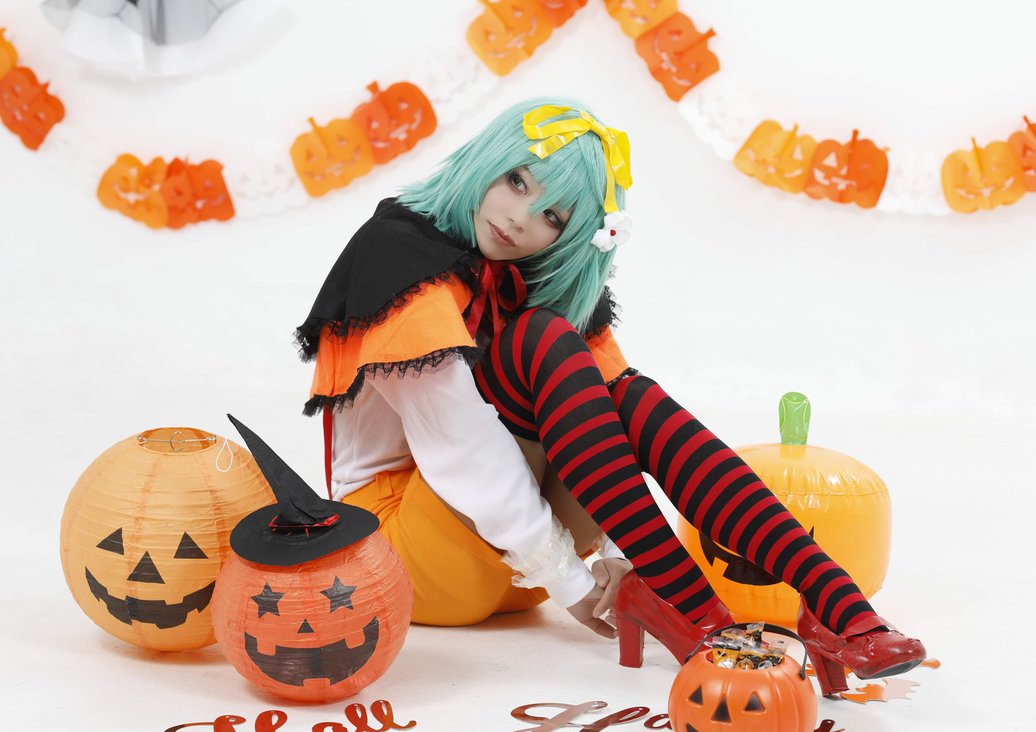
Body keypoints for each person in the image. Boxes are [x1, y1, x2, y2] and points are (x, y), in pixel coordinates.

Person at [295, 97, 925, 695]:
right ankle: (693, 604)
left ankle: (834, 600)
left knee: (623, 393)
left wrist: (621, 554)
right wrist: (570, 580)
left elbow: (608, 413)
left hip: (518, 568)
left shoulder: (534, 276)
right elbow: (461, 446)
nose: (520, 217)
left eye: (553, 217)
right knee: (545, 337)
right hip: (414, 558)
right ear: (489, 158)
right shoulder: (398, 252)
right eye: (517, 181)